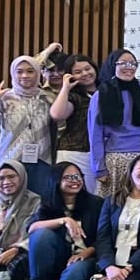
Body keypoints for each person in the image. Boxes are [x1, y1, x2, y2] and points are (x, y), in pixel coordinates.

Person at [26, 161, 102, 280]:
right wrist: (64, 220)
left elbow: (105, 237)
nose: (75, 180)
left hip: (87, 257)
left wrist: (86, 253)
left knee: (76, 269)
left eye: (78, 176)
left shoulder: (96, 204)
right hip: (60, 254)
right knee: (41, 235)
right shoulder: (47, 204)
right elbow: (32, 228)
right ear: (56, 180)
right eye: (68, 177)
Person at [0, 54, 56, 189]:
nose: (25, 75)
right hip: (11, 159)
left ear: (37, 73)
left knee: (40, 199)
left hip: (41, 160)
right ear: (13, 74)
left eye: (30, 71)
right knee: (10, 199)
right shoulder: (4, 97)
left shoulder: (48, 98)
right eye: (19, 71)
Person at [49, 54, 98, 188]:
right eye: (78, 72)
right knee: (74, 193)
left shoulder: (106, 91)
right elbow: (57, 114)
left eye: (87, 69)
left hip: (100, 154)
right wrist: (65, 87)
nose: (85, 74)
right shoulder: (74, 97)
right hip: (74, 154)